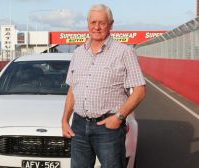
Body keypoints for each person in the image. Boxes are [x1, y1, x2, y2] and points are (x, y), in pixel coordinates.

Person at [61, 4, 146, 168]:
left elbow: (140, 91)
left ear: (111, 24)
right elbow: (73, 90)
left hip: (108, 128)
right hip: (78, 126)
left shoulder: (124, 52)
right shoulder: (78, 53)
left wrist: (119, 117)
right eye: (93, 22)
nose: (97, 27)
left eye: (102, 22)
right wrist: (65, 120)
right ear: (87, 24)